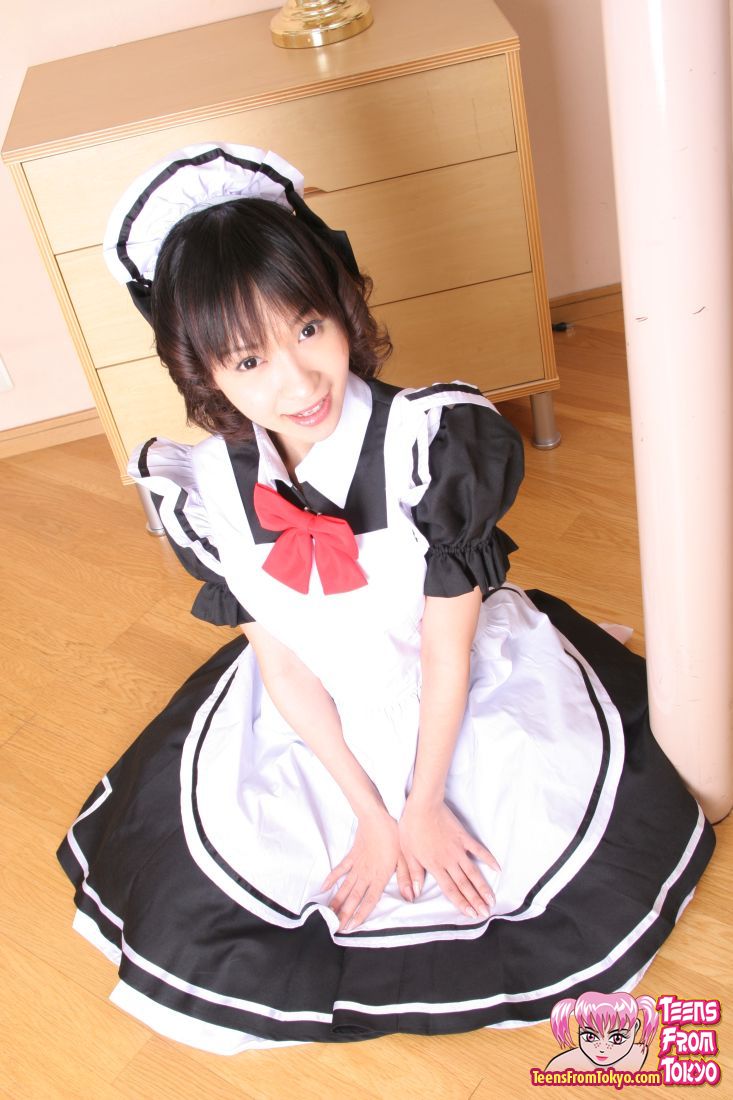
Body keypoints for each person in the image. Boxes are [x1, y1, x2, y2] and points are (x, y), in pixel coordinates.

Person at [58, 143, 714, 1055]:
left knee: (530, 845)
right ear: (203, 373)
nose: (297, 382)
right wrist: (371, 813)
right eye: (248, 359)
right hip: (319, 709)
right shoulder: (206, 493)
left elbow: (447, 648)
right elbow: (285, 666)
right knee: (258, 872)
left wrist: (422, 802)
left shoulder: (429, 447)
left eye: (308, 327)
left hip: (453, 681)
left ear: (343, 308)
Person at [546, 991, 659, 1073]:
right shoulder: (560, 1067)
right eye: (590, 1037)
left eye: (617, 1039)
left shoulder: (642, 1054)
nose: (602, 1049)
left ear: (636, 1027)